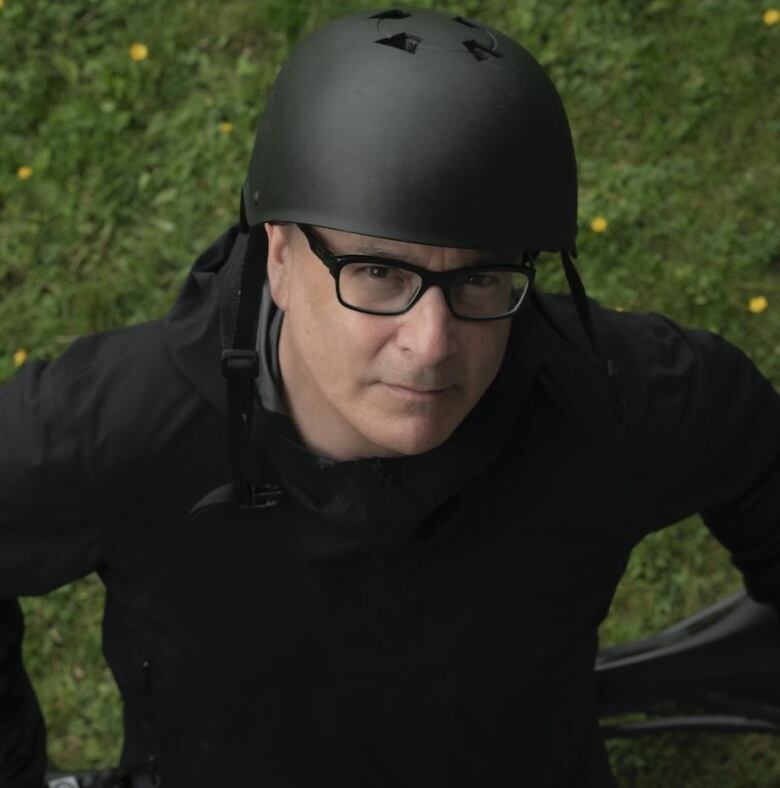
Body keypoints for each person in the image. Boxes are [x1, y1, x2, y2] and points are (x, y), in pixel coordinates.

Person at [1, 7, 779, 788]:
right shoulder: (114, 427)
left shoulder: (605, 398)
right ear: (278, 254)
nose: (432, 342)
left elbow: (747, 436)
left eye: (478, 277)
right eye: (379, 273)